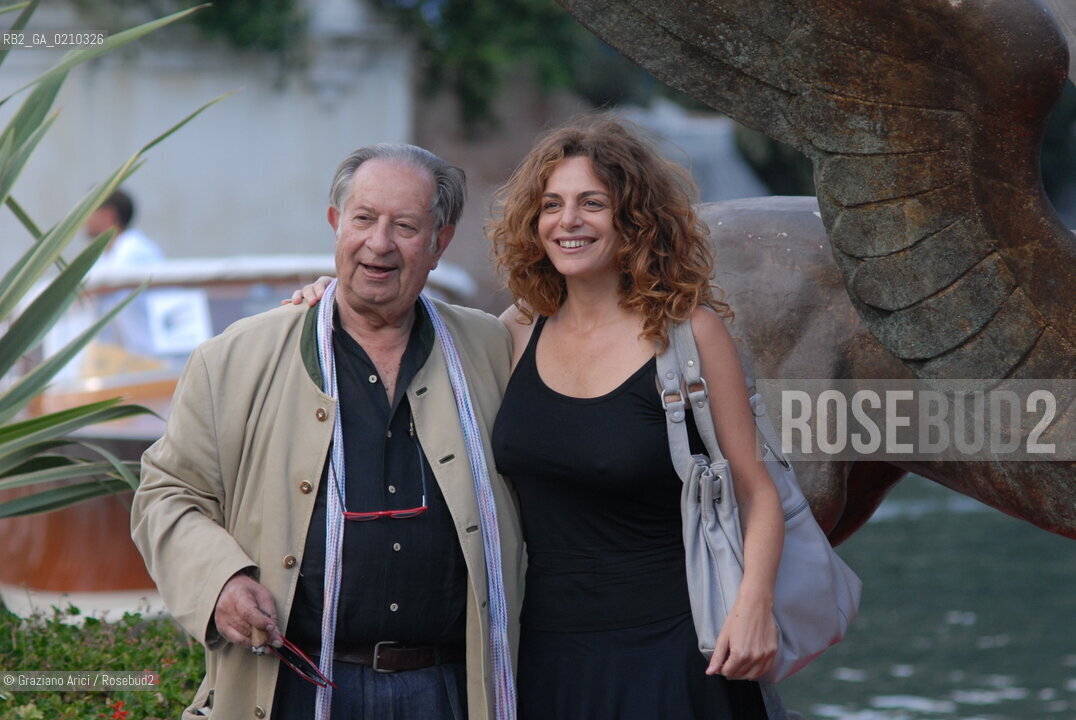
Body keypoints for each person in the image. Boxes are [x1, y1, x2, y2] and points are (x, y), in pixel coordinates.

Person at [293, 115, 785, 719]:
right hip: (541, 650)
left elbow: (756, 490)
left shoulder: (687, 334)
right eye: (552, 204)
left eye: (592, 203)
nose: (568, 221)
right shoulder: (515, 331)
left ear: (635, 219)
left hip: (673, 646)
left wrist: (753, 603)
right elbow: (400, 319)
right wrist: (327, 298)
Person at [131, 144, 523, 720]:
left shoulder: (490, 350)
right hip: (294, 685)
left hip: (446, 691)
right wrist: (221, 583)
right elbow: (167, 494)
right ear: (336, 223)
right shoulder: (236, 358)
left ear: (439, 243)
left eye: (406, 226)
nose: (379, 243)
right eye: (363, 218)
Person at [84, 188, 164, 272]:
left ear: (108, 214)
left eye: (89, 211)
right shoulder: (104, 255)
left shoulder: (133, 250)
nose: (85, 219)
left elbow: (111, 284)